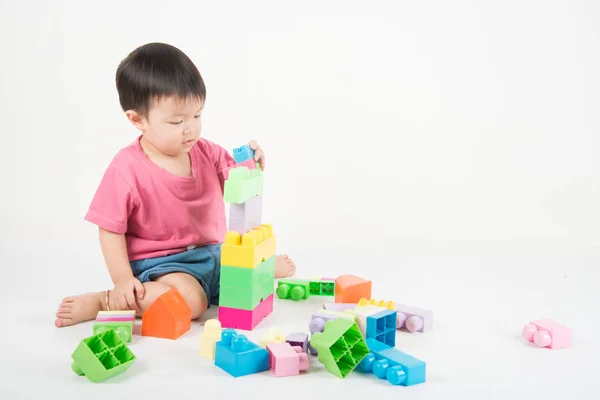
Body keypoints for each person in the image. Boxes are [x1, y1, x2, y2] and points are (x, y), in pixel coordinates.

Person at [55, 42, 296, 328]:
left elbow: (237, 180)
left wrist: (251, 161)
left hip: (213, 253)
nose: (190, 128)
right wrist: (122, 280)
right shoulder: (126, 169)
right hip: (162, 266)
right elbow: (109, 229)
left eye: (197, 115)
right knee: (191, 302)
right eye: (176, 121)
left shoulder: (207, 151)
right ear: (137, 120)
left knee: (258, 275)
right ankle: (104, 301)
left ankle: (230, 278)